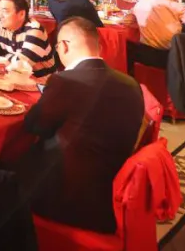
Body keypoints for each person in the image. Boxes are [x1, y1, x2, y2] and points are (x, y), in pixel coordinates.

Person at [18, 17, 144, 233]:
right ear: (98, 46)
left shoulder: (66, 80)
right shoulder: (131, 84)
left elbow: (33, 126)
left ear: (64, 46)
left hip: (64, 198)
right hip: (107, 194)